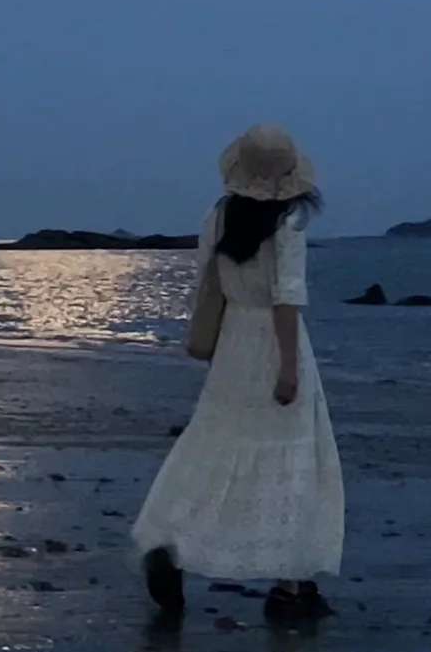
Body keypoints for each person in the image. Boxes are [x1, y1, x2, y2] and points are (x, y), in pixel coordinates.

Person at [132, 124, 344, 623]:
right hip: (274, 342)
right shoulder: (288, 222)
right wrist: (288, 369)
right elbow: (286, 299)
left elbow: (210, 282)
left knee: (212, 444)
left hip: (233, 343)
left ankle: (168, 540)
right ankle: (289, 586)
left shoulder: (219, 215)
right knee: (289, 455)